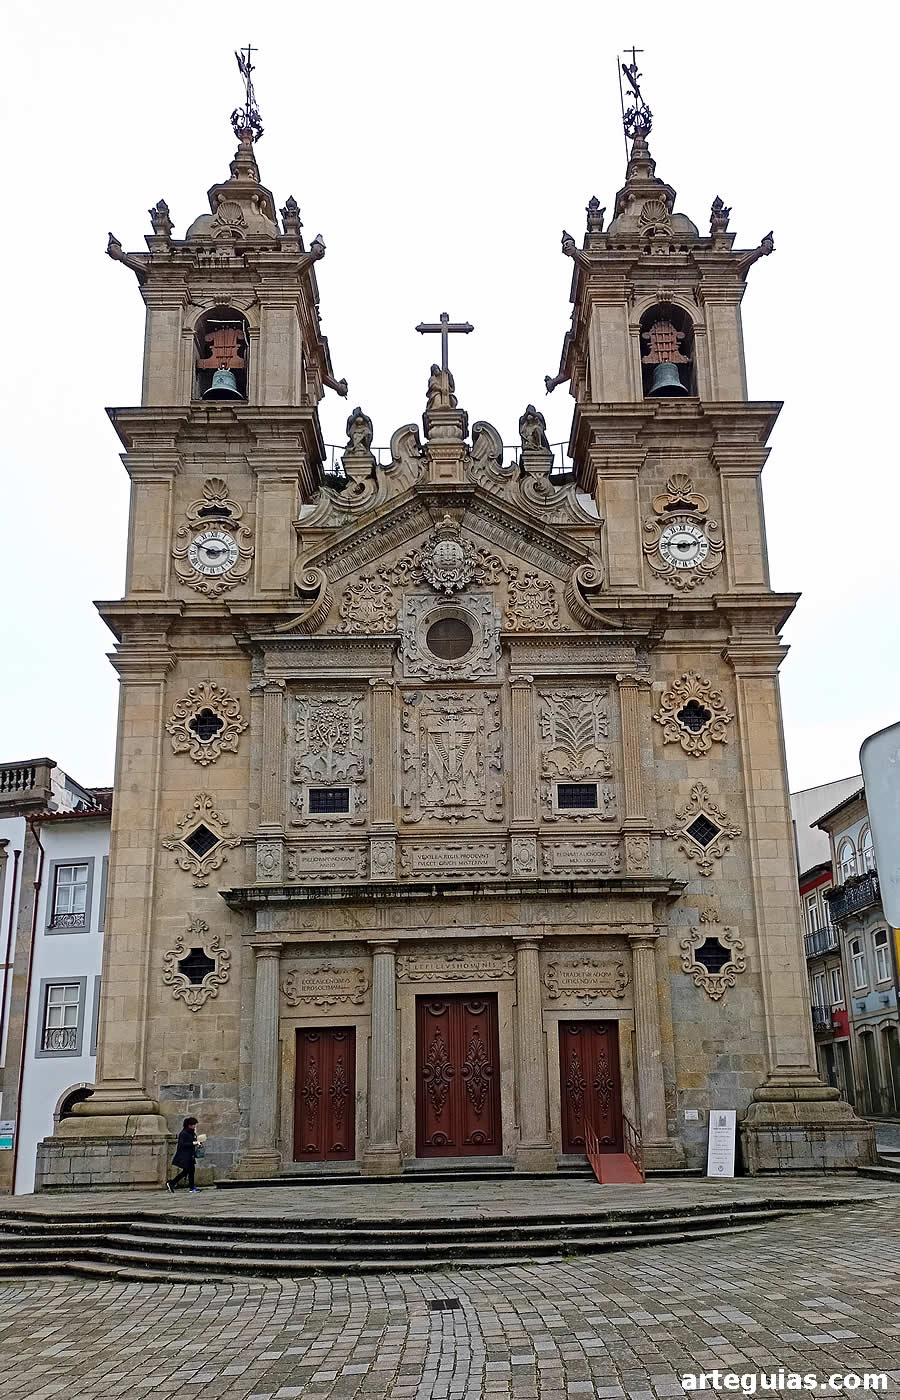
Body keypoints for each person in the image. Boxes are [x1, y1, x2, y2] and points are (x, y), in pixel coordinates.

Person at [167, 1116, 200, 1192]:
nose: (195, 1126)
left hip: (190, 1155)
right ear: (189, 1125)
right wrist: (193, 1143)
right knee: (188, 1171)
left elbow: (193, 1141)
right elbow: (182, 1144)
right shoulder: (184, 1133)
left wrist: (197, 1143)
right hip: (184, 1156)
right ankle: (172, 1183)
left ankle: (190, 1187)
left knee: (190, 1171)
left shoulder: (192, 1133)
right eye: (193, 1124)